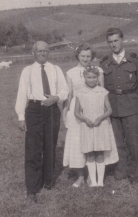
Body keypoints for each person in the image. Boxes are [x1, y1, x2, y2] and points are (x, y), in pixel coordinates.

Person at [15, 41, 68, 202]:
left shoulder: (56, 69)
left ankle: (48, 182)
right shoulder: (27, 71)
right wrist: (21, 116)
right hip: (34, 110)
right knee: (33, 149)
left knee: (50, 147)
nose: (43, 54)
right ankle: (32, 187)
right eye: (40, 51)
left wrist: (56, 97)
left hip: (52, 110)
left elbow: (65, 89)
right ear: (33, 53)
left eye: (46, 51)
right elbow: (22, 93)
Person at [100, 28, 138, 184]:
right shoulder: (105, 62)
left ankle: (134, 172)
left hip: (131, 105)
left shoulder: (135, 60)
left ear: (122, 40)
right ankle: (121, 169)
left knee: (132, 141)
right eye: (110, 42)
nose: (113, 44)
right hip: (113, 106)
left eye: (116, 40)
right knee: (117, 142)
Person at [63, 43, 104, 187]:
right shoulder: (71, 72)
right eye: (82, 56)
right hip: (77, 110)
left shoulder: (98, 70)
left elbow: (102, 92)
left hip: (94, 109)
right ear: (77, 56)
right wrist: (65, 112)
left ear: (92, 57)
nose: (85, 59)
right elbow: (69, 95)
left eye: (88, 56)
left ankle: (93, 175)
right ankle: (80, 175)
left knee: (92, 141)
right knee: (77, 143)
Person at [74, 66, 119, 187]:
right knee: (90, 153)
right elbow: (76, 112)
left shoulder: (102, 91)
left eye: (94, 77)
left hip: (101, 125)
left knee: (99, 153)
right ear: (84, 77)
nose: (92, 80)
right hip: (87, 126)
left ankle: (100, 182)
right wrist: (85, 119)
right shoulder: (79, 92)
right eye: (89, 77)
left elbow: (109, 110)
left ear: (98, 78)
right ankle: (93, 182)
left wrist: (100, 118)